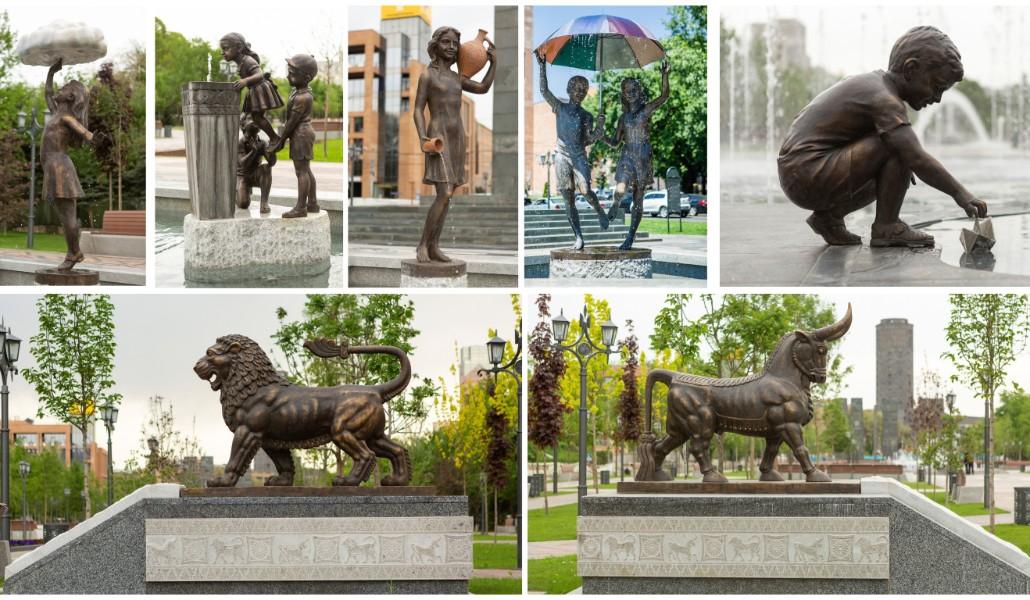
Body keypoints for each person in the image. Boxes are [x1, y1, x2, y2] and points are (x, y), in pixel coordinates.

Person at [778, 26, 988, 247]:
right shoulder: (884, 99)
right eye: (936, 87)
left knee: (898, 156)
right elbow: (915, 157)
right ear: (911, 69)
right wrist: (961, 194)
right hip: (807, 172)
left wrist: (899, 171)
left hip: (800, 173)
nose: (937, 99)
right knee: (900, 149)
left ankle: (829, 218)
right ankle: (887, 226)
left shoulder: (874, 85)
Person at [413, 26, 496, 263]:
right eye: (446, 42)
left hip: (457, 136)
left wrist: (493, 63)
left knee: (447, 196)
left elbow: (483, 88)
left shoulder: (457, 78)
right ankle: (422, 245)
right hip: (438, 137)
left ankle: (434, 246)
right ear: (435, 45)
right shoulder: (428, 76)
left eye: (455, 43)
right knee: (445, 192)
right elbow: (418, 109)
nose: (451, 47)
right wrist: (422, 137)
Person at [536, 51, 608, 250]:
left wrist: (600, 128)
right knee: (568, 200)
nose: (581, 92)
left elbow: (588, 140)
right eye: (577, 88)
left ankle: (599, 210)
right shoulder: (559, 107)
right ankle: (578, 237)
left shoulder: (586, 116)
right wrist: (542, 67)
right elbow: (544, 91)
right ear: (568, 90)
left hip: (578, 156)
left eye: (584, 89)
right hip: (561, 157)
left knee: (585, 190)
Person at [606, 60, 670, 250]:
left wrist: (664, 75)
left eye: (634, 89)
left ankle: (630, 237)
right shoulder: (622, 118)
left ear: (639, 92)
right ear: (623, 95)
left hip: (643, 156)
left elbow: (664, 96)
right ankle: (616, 203)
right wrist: (602, 135)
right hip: (627, 154)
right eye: (627, 90)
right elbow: (615, 142)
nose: (631, 93)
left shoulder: (646, 110)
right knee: (620, 188)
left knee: (638, 198)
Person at [43, 59, 96, 271]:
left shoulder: (66, 118)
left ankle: (74, 253)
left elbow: (85, 134)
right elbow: (48, 93)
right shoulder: (57, 112)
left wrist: (94, 138)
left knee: (68, 216)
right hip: (53, 167)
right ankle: (74, 251)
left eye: (64, 88)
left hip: (60, 168)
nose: (59, 89)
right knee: (65, 216)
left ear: (71, 97)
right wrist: (51, 72)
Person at [270, 54, 319, 218]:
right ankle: (312, 203)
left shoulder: (302, 98)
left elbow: (291, 122)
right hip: (302, 133)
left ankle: (301, 207)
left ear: (306, 78)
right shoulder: (298, 93)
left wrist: (281, 140)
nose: (287, 76)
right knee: (306, 169)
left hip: (301, 134)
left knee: (301, 172)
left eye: (291, 74)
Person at [220, 32, 284, 147]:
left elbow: (259, 74)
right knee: (250, 117)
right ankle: (253, 139)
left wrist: (245, 81)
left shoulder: (248, 61)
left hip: (260, 89)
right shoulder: (241, 62)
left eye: (226, 48)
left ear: (239, 47)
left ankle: (274, 138)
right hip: (254, 90)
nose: (222, 52)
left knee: (257, 117)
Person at [236, 114, 276, 214]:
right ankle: (237, 192)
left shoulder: (262, 143)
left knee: (266, 168)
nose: (255, 121)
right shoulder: (240, 143)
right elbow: (243, 164)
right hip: (242, 176)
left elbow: (271, 162)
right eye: (251, 118)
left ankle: (264, 203)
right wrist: (253, 151)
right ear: (243, 125)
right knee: (243, 204)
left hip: (255, 174)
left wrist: (272, 149)